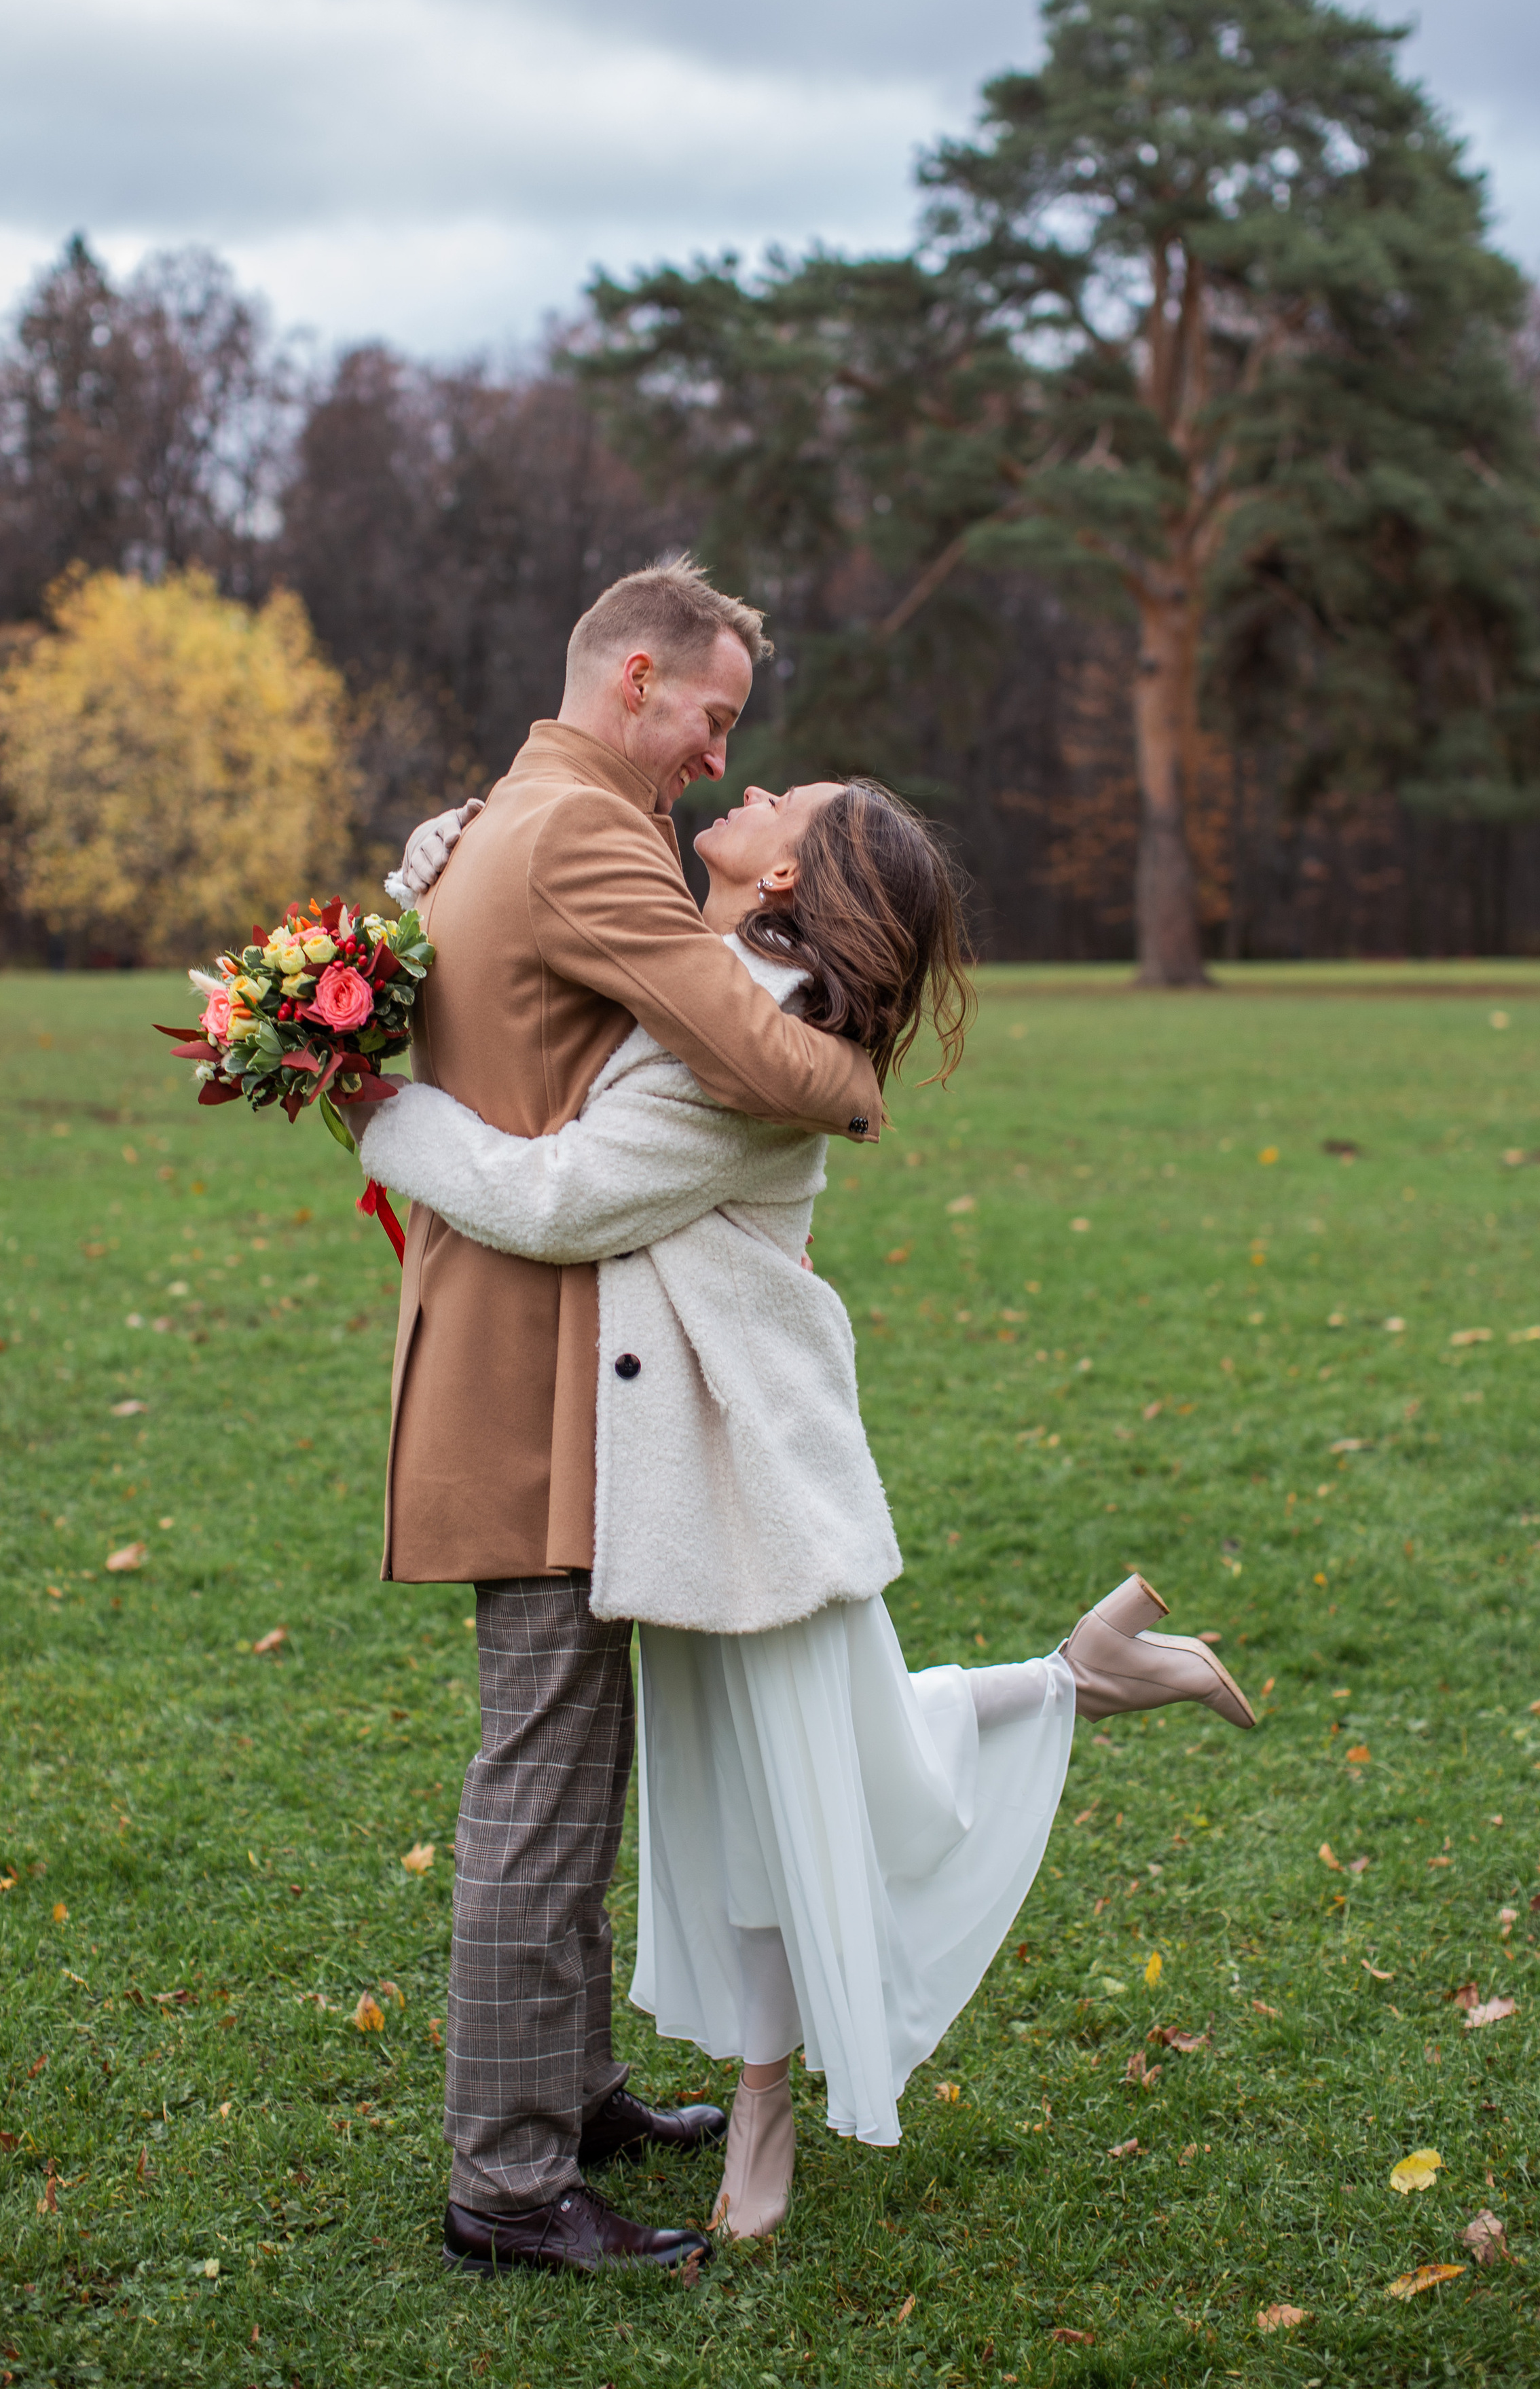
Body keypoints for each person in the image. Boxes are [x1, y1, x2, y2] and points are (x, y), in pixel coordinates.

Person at [359, 771, 1255, 2254]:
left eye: (788, 798)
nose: (748, 780)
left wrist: (374, 1104)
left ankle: (769, 2099)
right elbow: (540, 991)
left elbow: (560, 1197)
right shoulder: (692, 969)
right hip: (664, 1468)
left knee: (797, 1776)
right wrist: (436, 874)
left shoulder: (774, 1038)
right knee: (789, 1763)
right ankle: (1075, 1677)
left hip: (749, 1476)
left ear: (786, 882)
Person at [371, 559, 883, 2282]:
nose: (717, 758)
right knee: (542, 1780)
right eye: (714, 720)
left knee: (571, 1764)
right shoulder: (585, 837)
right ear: (639, 675)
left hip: (536, 1344)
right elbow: (752, 1041)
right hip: (536, 1362)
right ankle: (506, 2186)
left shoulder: (518, 814)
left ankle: (568, 2089)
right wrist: (858, 1079)